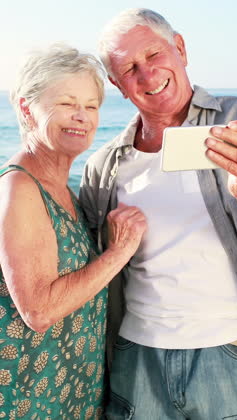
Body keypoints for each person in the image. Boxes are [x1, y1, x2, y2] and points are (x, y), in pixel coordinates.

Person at [79, 8, 237, 419]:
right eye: (129, 69)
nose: (147, 76)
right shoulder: (102, 166)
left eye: (154, 55)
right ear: (116, 85)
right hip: (136, 359)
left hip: (235, 352)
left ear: (179, 48)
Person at [0, 43, 146, 420]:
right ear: (26, 108)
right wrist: (117, 253)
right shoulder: (20, 187)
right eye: (66, 103)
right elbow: (39, 310)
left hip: (72, 391)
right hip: (27, 398)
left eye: (91, 106)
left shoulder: (64, 189)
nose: (81, 117)